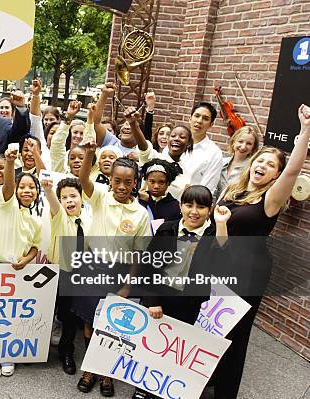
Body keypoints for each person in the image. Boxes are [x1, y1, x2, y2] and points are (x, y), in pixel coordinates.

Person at [210, 105, 310, 399]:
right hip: (219, 263)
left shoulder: (270, 200)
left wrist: (304, 131)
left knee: (234, 335)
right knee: (212, 326)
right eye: (260, 160)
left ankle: (225, 392)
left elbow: (294, 170)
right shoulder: (235, 190)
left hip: (246, 272)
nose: (263, 166)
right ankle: (207, 379)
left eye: (271, 165)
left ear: (276, 176)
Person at [133, 185, 226, 399]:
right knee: (150, 344)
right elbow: (149, 267)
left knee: (175, 350)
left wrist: (221, 225)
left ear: (209, 209)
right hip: (161, 299)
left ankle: (163, 388)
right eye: (188, 205)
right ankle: (141, 386)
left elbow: (224, 261)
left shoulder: (213, 235)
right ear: (180, 206)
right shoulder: (167, 229)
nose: (194, 211)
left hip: (189, 303)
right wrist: (152, 300)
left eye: (201, 207)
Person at [76, 144, 150, 396]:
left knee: (111, 326)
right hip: (93, 267)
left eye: (127, 182)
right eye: (116, 180)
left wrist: (128, 286)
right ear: (109, 180)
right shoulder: (99, 197)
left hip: (119, 274)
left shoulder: (140, 214)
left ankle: (106, 372)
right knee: (89, 321)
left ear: (135, 183)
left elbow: (138, 254)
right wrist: (88, 154)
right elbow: (83, 178)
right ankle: (90, 369)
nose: (121, 186)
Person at [0, 147, 41, 378]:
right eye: (22, 186)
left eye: (31, 187)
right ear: (15, 190)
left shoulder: (36, 220)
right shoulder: (7, 203)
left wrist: (25, 261)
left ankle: (7, 354)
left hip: (16, 271)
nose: (27, 191)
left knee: (8, 314)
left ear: (37, 192)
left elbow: (35, 247)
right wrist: (9, 162)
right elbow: (7, 186)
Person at [42, 177, 90, 377]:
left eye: (73, 196)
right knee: (48, 311)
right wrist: (50, 192)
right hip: (58, 272)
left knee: (69, 317)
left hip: (79, 275)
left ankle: (66, 351)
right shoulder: (59, 216)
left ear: (81, 197)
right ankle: (37, 350)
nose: (69, 201)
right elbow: (53, 203)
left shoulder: (89, 218)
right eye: (65, 198)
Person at [179, 102, 223, 195]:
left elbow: (207, 189)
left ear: (211, 124)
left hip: (188, 203)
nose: (199, 121)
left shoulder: (214, 153)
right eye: (197, 116)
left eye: (205, 118)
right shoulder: (175, 141)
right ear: (190, 118)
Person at [216, 125, 261, 199]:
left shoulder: (251, 169)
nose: (243, 146)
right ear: (233, 141)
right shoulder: (222, 162)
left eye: (249, 144)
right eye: (240, 141)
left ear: (253, 147)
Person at [138, 158, 182, 229]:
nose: (156, 186)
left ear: (168, 183)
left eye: (161, 182)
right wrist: (143, 202)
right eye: (152, 181)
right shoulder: (137, 200)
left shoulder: (175, 206)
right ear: (146, 181)